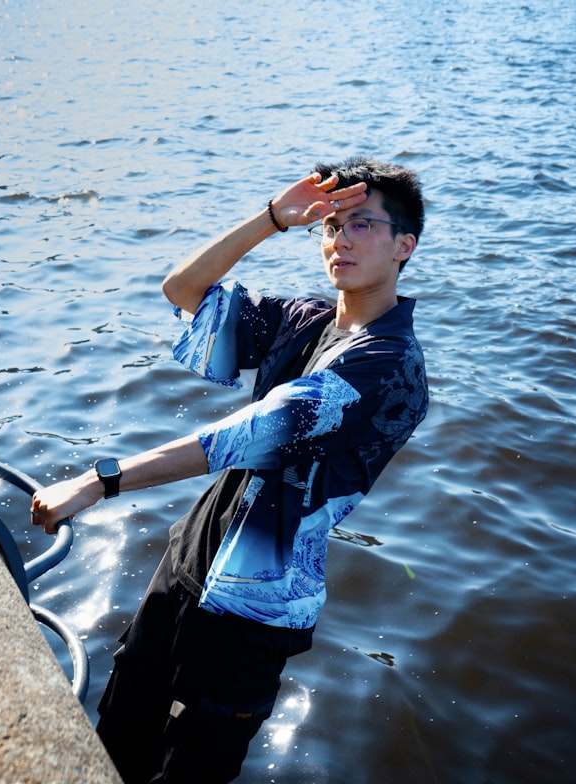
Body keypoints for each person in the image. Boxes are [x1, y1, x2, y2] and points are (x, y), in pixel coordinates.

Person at [30, 156, 429, 783]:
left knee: (192, 768)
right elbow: (182, 292)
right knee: (117, 736)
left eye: (362, 225)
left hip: (255, 608)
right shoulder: (304, 321)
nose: (340, 239)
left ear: (404, 245)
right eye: (330, 226)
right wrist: (271, 219)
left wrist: (98, 480)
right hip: (190, 558)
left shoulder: (389, 365)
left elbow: (245, 436)